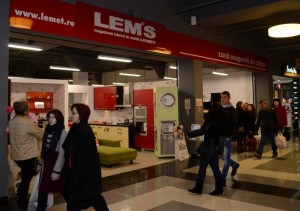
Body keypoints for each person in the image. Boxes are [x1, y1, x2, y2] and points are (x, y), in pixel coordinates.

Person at [62, 103, 109, 211]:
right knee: (77, 200)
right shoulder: (75, 128)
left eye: (74, 113)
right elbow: (66, 145)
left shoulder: (84, 131)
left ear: (81, 115)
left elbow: (84, 159)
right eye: (72, 113)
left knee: (94, 199)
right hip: (78, 173)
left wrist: (77, 178)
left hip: (86, 175)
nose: (71, 115)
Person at [8, 100, 44, 210]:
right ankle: (22, 199)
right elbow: (41, 134)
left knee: (25, 175)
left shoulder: (12, 122)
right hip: (27, 155)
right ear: (26, 111)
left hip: (16, 155)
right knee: (27, 178)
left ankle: (20, 194)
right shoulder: (29, 123)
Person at [187, 102, 226, 195]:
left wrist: (190, 134)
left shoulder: (212, 122)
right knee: (204, 167)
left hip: (209, 148)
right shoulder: (221, 121)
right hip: (212, 147)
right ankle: (199, 187)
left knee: (212, 168)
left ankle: (216, 188)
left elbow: (203, 131)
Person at [36, 109, 68, 211]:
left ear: (58, 119)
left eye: (53, 117)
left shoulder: (63, 132)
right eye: (49, 117)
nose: (50, 119)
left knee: (62, 189)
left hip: (56, 164)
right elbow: (44, 149)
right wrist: (40, 164)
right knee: (43, 190)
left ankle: (74, 206)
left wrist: (56, 171)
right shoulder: (47, 129)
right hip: (46, 163)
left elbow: (62, 153)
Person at [219, 91, 240, 186]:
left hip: (229, 137)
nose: (223, 99)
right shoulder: (219, 110)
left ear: (229, 98)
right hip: (220, 136)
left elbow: (235, 126)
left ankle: (222, 177)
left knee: (226, 158)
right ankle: (235, 165)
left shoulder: (233, 111)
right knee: (224, 157)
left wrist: (234, 139)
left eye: (225, 97)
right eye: (221, 97)